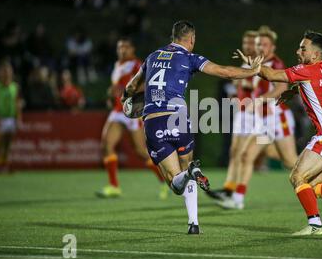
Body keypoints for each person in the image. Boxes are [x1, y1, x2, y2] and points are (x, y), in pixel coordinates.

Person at [122, 20, 263, 234]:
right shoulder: (190, 57)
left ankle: (190, 175)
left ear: (173, 36)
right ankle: (193, 222)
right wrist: (253, 71)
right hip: (179, 118)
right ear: (191, 39)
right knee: (185, 166)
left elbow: (132, 86)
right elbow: (224, 72)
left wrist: (126, 99)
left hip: (154, 120)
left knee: (173, 180)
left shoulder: (152, 56)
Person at [237, 30, 322, 236]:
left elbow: (271, 75)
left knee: (297, 177)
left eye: (303, 48)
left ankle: (316, 225)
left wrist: (252, 65)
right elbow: (311, 86)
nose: (298, 51)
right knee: (311, 187)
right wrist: (293, 91)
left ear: (315, 54)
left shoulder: (306, 70)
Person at [216, 26, 298, 210]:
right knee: (247, 155)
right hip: (263, 120)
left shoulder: (276, 64)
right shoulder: (256, 64)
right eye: (259, 44)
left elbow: (280, 89)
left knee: (289, 161)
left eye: (266, 44)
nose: (262, 47)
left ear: (273, 47)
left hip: (278, 118)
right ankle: (237, 199)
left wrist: (260, 99)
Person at [96, 38, 164, 198]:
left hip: (133, 111)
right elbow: (117, 88)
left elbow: (148, 83)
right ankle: (114, 186)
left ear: (132, 49)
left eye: (126, 47)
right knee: (106, 144)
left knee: (141, 151)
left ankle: (164, 179)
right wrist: (112, 95)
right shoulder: (117, 65)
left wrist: (127, 90)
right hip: (118, 110)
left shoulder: (136, 64)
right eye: (120, 47)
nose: (122, 50)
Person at [205, 29, 258, 201]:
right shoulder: (245, 64)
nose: (247, 46)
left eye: (251, 43)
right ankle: (229, 189)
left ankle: (236, 193)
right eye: (246, 42)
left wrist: (243, 81)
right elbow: (238, 87)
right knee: (235, 151)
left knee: (248, 154)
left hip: (257, 115)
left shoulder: (260, 64)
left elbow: (256, 86)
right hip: (242, 113)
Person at [0, 60, 22, 173]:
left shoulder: (14, 87)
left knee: (7, 144)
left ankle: (4, 166)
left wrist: (18, 118)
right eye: (4, 71)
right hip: (0, 119)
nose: (6, 73)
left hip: (11, 119)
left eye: (8, 71)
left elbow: (17, 104)